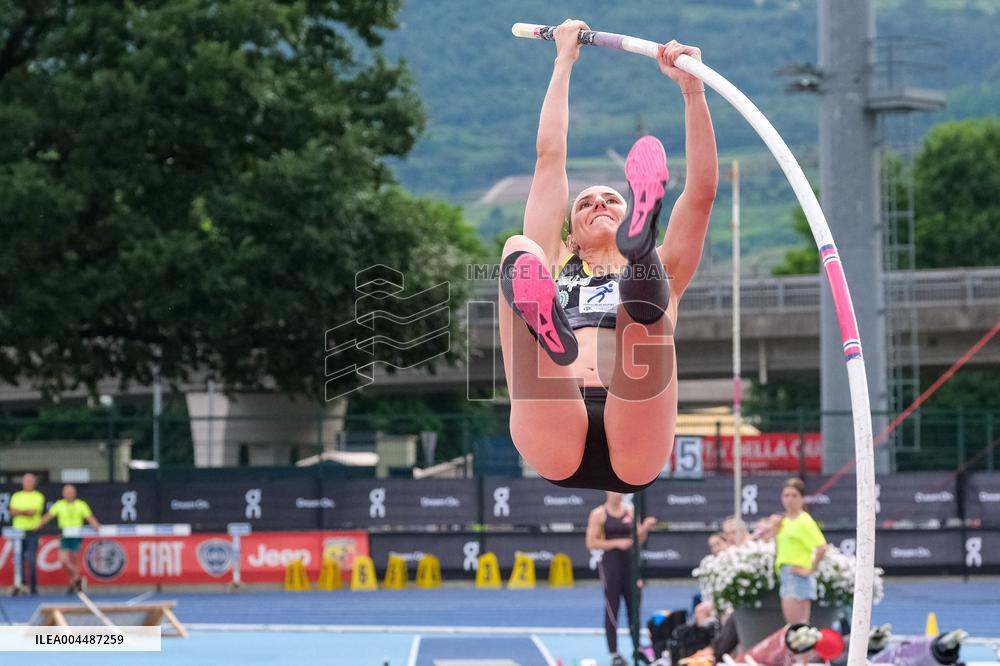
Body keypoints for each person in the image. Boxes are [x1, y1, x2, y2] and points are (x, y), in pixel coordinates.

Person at [498, 18, 718, 492]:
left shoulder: (669, 268)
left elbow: (700, 194)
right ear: (571, 232)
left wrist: (692, 91)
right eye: (585, 203)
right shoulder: (557, 259)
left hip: (634, 419)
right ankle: (549, 336)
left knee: (647, 306)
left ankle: (638, 258)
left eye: (611, 200)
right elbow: (549, 157)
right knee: (519, 251)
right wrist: (563, 60)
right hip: (554, 415)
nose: (597, 202)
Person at [586, 492, 656, 666]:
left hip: (629, 564)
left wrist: (645, 528)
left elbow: (638, 538)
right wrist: (616, 543)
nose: (619, 494)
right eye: (615, 491)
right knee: (612, 607)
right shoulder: (599, 513)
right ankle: (614, 652)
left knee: (634, 606)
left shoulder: (630, 510)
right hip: (611, 564)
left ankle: (636, 646)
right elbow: (591, 542)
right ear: (608, 492)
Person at [774, 477, 826, 624]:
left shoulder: (804, 521)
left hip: (796, 575)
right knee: (795, 629)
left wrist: (810, 570)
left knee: (797, 629)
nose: (789, 500)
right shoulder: (783, 521)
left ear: (802, 499)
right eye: (786, 495)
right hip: (785, 574)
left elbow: (821, 547)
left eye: (794, 496)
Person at [34, 484, 102, 594]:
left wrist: (98, 527)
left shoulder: (81, 505)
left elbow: (90, 518)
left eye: (71, 491)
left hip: (76, 536)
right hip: (65, 536)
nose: (69, 493)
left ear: (74, 493)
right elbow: (47, 517)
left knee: (75, 560)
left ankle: (72, 584)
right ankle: (77, 578)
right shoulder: (59, 505)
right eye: (67, 491)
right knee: (64, 561)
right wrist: (37, 526)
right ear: (63, 493)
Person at [9, 473, 45, 594]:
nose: (28, 483)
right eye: (26, 481)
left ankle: (33, 586)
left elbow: (32, 512)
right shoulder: (16, 495)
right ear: (23, 482)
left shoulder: (38, 496)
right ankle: (20, 584)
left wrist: (19, 511)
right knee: (18, 559)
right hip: (17, 532)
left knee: (31, 559)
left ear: (34, 483)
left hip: (32, 531)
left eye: (31, 481)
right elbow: (12, 512)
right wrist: (25, 511)